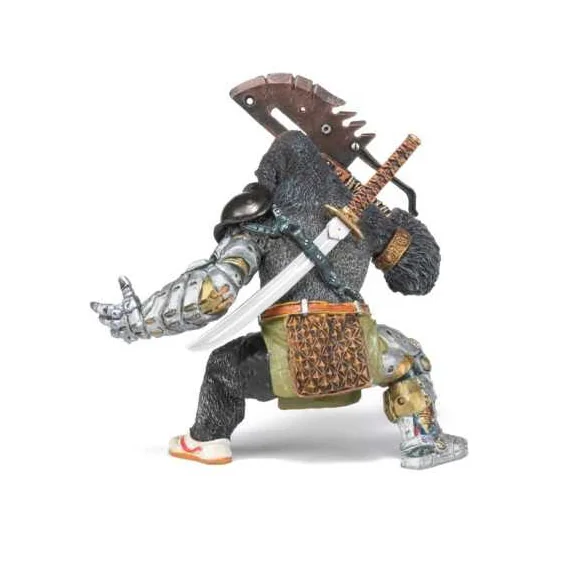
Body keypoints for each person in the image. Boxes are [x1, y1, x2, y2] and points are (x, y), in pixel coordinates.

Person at [91, 131, 467, 469]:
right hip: (360, 354)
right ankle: (423, 440)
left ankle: (207, 440)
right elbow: (418, 276)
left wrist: (140, 321)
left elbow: (212, 295)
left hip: (283, 363)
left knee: (223, 366)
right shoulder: (368, 219)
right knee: (408, 357)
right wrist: (403, 224)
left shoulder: (261, 222)